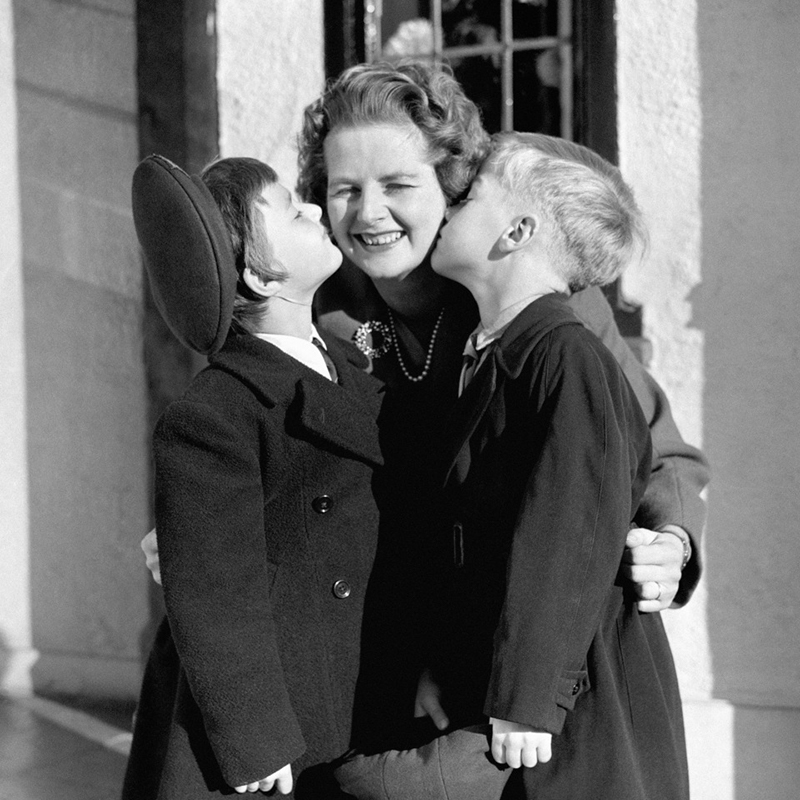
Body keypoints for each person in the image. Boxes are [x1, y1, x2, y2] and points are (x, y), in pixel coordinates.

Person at [139, 57, 707, 760]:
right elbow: (241, 438)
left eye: (399, 185)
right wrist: (197, 528)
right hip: (373, 660)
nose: (368, 213)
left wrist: (671, 541)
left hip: (516, 666)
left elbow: (653, 448)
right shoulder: (314, 303)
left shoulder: (533, 300)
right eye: (345, 189)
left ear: (453, 188)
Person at [428, 132, 688, 798]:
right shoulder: (496, 352)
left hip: (571, 711)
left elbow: (568, 524)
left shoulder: (566, 358)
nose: (448, 205)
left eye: (471, 196)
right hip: (529, 703)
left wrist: (528, 693)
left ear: (515, 231)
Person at [122, 156, 384, 799]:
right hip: (269, 729)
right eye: (294, 209)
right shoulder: (214, 413)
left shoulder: (351, 367)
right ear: (259, 274)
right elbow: (217, 591)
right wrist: (255, 738)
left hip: (355, 687)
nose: (318, 209)